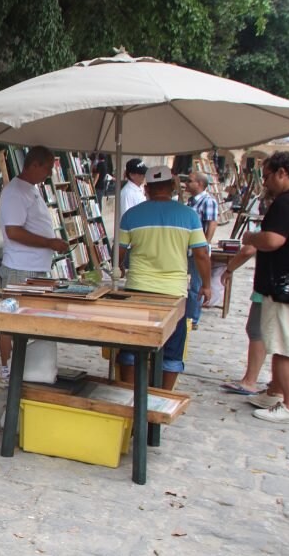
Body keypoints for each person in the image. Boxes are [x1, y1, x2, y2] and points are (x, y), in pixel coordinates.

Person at [116, 165, 211, 389]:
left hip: (138, 289)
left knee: (131, 344)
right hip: (173, 292)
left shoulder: (131, 215)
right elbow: (201, 254)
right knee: (172, 349)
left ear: (147, 189)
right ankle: (162, 395)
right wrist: (206, 285)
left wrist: (119, 267)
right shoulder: (189, 216)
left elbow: (119, 252)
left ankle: (128, 392)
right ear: (172, 186)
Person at [0, 145, 70, 383]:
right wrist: (48, 242)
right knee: (11, 320)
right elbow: (14, 232)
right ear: (34, 164)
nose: (49, 173)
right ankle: (7, 369)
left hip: (35, 265)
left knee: (29, 319)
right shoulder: (16, 192)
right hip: (20, 266)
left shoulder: (30, 190)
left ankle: (24, 367)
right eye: (47, 168)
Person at [241, 151, 289, 424]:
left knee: (285, 346)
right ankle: (276, 391)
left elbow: (274, 240)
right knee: (282, 340)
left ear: (282, 173)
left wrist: (252, 237)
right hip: (288, 284)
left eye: (266, 176)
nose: (264, 183)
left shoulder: (287, 202)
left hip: (284, 286)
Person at [218, 245, 270, 396]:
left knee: (256, 331)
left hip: (271, 287)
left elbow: (249, 249)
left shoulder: (276, 226)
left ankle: (250, 381)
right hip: (283, 287)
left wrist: (229, 269)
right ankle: (279, 383)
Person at [184, 171, 219, 328]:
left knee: (196, 285)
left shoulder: (208, 201)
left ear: (200, 184)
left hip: (198, 250)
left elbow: (211, 223)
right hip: (188, 249)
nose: (187, 184)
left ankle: (193, 318)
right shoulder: (191, 201)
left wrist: (204, 244)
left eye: (190, 181)